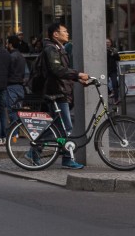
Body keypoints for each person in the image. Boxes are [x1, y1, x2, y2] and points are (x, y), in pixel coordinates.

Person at [31, 20, 92, 169]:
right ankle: (36, 149)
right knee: (65, 128)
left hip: (59, 91)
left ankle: (64, 157)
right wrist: (78, 74)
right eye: (64, 31)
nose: (67, 33)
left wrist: (77, 78)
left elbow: (61, 72)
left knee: (60, 127)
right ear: (55, 34)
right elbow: (57, 70)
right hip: (56, 93)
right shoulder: (51, 49)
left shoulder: (59, 48)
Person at [4, 34, 28, 131]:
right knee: (19, 109)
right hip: (20, 86)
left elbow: (6, 71)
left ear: (10, 44)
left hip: (11, 85)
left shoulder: (11, 57)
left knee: (12, 110)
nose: (6, 45)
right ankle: (19, 130)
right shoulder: (22, 57)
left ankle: (14, 132)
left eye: (7, 43)